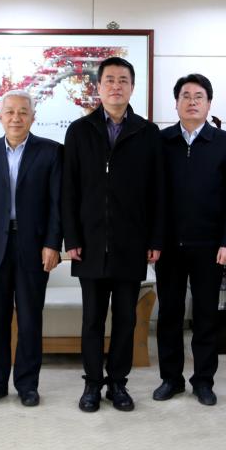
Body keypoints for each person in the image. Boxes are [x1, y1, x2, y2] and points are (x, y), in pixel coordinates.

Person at [62, 56, 164, 413]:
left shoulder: (147, 132)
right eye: (109, 80)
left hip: (131, 243)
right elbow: (69, 188)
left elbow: (157, 192)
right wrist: (71, 238)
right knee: (92, 318)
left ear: (132, 87)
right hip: (89, 243)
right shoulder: (79, 130)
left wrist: (155, 239)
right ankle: (92, 383)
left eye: (123, 80)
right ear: (98, 86)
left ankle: (118, 383)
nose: (116, 86)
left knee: (125, 318)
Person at [154, 74, 226, 406]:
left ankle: (203, 381)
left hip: (211, 246)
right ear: (176, 102)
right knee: (169, 315)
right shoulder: (161, 141)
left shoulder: (225, 144)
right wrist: (153, 241)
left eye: (199, 96)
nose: (192, 102)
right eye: (186, 96)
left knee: (206, 315)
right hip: (168, 246)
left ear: (209, 103)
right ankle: (171, 379)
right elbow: (151, 196)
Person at [0, 90, 62, 407]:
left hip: (34, 246)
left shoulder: (51, 152)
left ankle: (27, 385)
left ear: (33, 117)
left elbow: (57, 204)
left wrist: (53, 243)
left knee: (30, 319)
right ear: (0, 116)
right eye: (9, 111)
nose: (16, 117)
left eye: (23, 112)